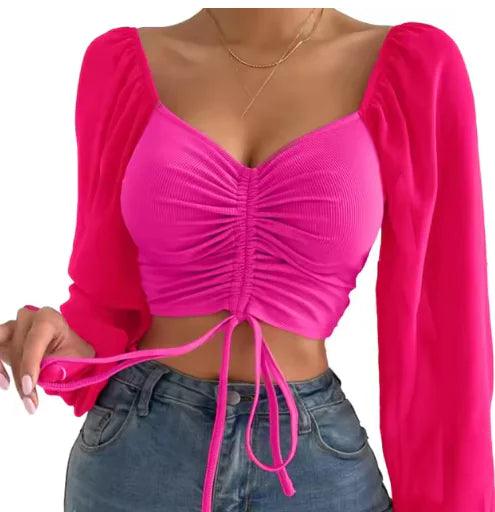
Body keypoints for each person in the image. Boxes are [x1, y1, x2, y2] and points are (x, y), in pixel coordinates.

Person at [0, 7, 493, 512]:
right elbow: (106, 300)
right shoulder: (120, 65)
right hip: (137, 456)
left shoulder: (416, 67)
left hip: (311, 467)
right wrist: (64, 343)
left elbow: (447, 334)